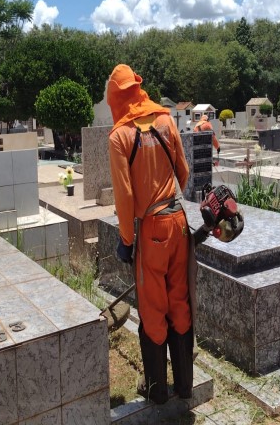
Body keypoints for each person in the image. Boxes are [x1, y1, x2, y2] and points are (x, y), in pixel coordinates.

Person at [107, 64, 195, 405]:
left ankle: (158, 390)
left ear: (116, 97)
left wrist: (126, 240)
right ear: (138, 90)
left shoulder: (120, 136)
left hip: (151, 231)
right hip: (178, 222)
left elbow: (125, 198)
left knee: (154, 307)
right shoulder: (164, 119)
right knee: (180, 301)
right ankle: (185, 386)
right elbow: (183, 175)